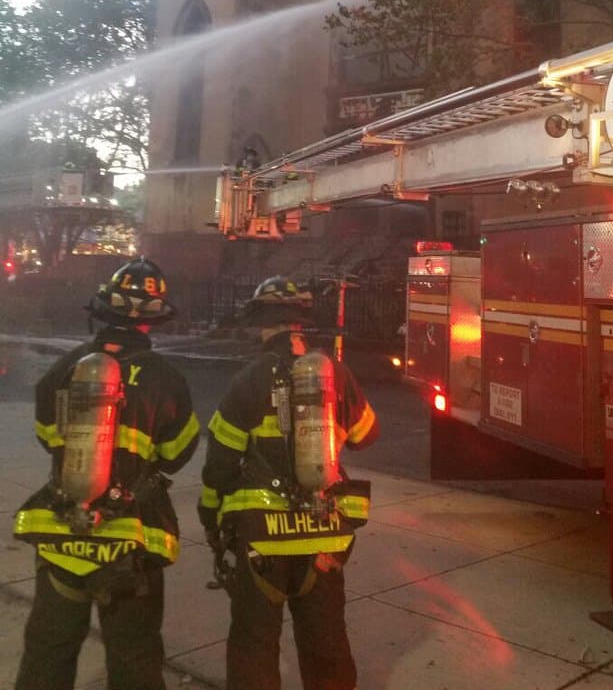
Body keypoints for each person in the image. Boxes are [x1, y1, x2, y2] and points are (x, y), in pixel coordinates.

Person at [13, 257, 200, 690]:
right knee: (134, 658)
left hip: (64, 537)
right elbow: (176, 454)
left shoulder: (66, 368)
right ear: (154, 319)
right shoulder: (166, 378)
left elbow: (47, 435)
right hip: (130, 546)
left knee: (48, 652)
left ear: (102, 310)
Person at [198, 275, 379, 690]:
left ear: (263, 321)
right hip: (321, 535)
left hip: (262, 539)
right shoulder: (331, 370)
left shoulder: (247, 380)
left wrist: (210, 514)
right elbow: (368, 435)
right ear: (301, 321)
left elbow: (220, 465)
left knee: (254, 644)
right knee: (326, 640)